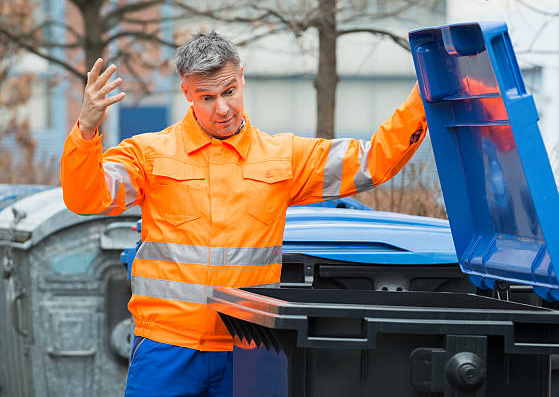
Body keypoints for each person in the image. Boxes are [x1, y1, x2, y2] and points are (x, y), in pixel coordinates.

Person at [61, 31, 428, 397]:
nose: (222, 108)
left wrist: (423, 96)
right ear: (187, 92)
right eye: (207, 97)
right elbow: (87, 198)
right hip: (167, 347)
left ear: (242, 77)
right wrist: (87, 130)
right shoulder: (149, 156)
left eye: (229, 92)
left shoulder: (282, 158)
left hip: (249, 348)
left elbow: (372, 162)